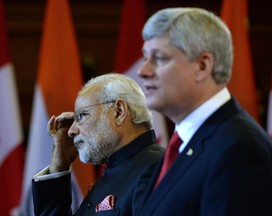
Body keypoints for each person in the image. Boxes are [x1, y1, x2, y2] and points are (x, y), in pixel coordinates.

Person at [134, 7, 272, 216]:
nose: (143, 71)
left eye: (159, 58)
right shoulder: (186, 142)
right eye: (145, 57)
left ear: (202, 66)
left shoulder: (238, 148)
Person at [31, 73, 164, 216]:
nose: (71, 131)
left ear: (119, 112)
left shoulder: (156, 170)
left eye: (81, 116)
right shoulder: (116, 170)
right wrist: (59, 166)